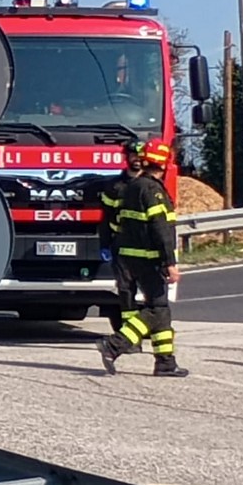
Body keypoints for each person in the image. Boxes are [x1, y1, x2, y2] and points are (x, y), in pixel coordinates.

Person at [96, 139, 187, 377]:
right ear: (164, 164)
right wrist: (170, 263)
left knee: (161, 309)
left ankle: (165, 362)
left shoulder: (131, 187)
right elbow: (161, 229)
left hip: (128, 257)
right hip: (149, 259)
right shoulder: (153, 191)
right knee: (156, 308)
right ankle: (114, 345)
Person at [99, 140, 145, 338]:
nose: (137, 159)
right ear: (127, 157)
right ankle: (128, 335)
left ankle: (142, 331)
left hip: (147, 247)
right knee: (126, 291)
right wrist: (105, 244)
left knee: (151, 295)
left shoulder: (151, 185)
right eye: (133, 155)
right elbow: (106, 218)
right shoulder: (115, 186)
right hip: (122, 246)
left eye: (141, 155)